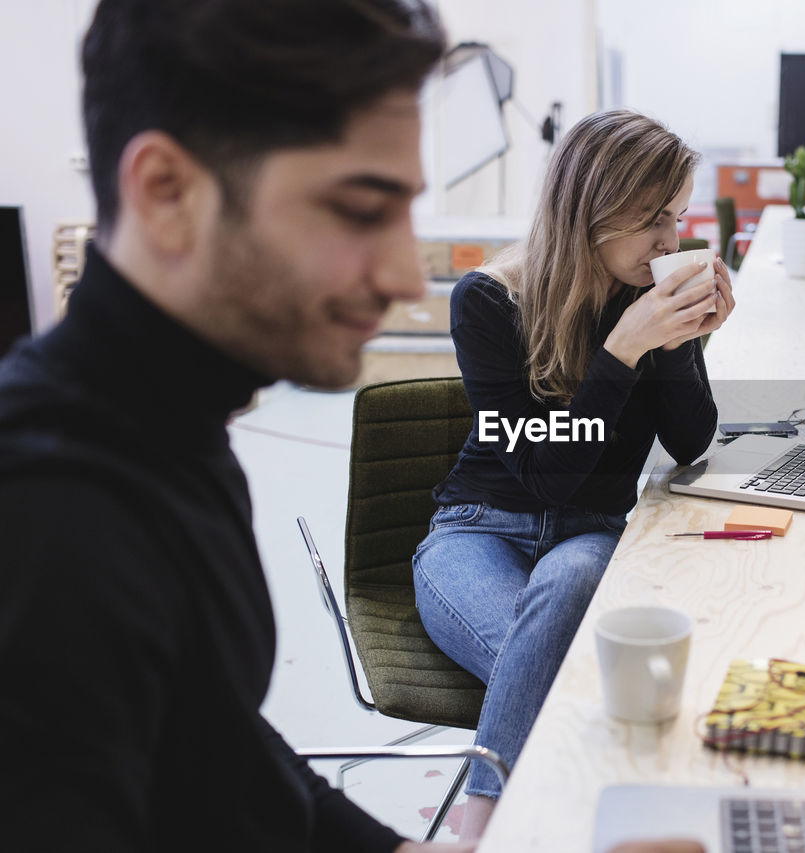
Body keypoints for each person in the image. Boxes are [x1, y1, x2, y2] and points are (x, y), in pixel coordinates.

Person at [0, 2, 702, 851]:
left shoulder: (169, 437)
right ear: (166, 193)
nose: (407, 271)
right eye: (359, 207)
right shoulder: (46, 511)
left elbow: (221, 753)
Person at [411, 109, 734, 839]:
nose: (670, 241)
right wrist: (620, 353)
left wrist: (682, 339)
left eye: (678, 217)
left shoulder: (643, 296)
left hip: (585, 538)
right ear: (591, 203)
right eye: (651, 218)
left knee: (569, 585)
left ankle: (487, 827)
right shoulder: (488, 300)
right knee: (578, 683)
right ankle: (493, 824)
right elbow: (543, 477)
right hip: (474, 531)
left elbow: (690, 441)